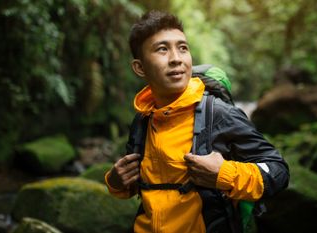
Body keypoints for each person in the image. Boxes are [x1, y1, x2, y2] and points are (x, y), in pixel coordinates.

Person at [105, 10, 289, 233]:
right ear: (140, 67)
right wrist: (115, 182)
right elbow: (145, 186)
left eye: (183, 48)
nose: (176, 58)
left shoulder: (219, 114)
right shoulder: (143, 119)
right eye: (162, 49)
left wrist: (224, 174)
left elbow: (278, 171)